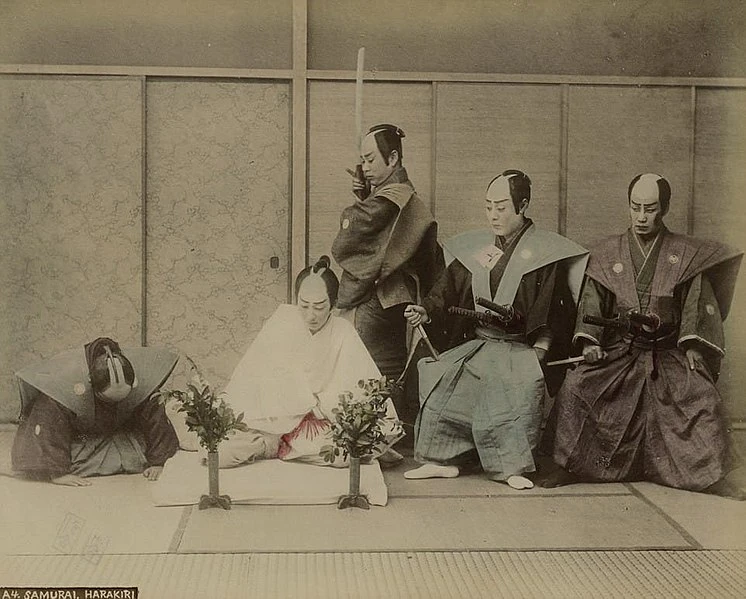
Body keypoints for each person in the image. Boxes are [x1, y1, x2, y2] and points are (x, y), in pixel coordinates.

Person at [543, 173, 744, 499]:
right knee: (577, 386)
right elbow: (592, 302)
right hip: (621, 350)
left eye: (649, 209)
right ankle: (571, 465)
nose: (641, 216)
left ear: (664, 208)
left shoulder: (685, 255)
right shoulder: (608, 254)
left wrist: (693, 346)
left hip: (668, 352)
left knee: (702, 396)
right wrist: (590, 342)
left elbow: (696, 304)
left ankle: (711, 475)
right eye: (635, 207)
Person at [402, 170, 588, 489]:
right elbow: (447, 290)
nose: (493, 215)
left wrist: (540, 352)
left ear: (523, 205)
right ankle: (442, 460)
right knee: (443, 383)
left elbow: (555, 313)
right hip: (481, 343)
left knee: (513, 398)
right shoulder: (481, 249)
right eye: (488, 207)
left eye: (501, 208)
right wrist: (426, 311)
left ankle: (511, 467)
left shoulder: (545, 254)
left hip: (519, 348)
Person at [218, 256, 403, 468]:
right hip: (274, 417)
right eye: (304, 305)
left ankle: (272, 445)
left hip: (318, 420)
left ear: (333, 304)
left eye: (319, 307)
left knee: (342, 454)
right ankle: (269, 442)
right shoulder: (282, 321)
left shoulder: (342, 332)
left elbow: (356, 385)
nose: (310, 315)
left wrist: (318, 404)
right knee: (222, 449)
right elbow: (252, 375)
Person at [331, 124, 443, 382]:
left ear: (392, 158)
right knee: (382, 373)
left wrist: (360, 204)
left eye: (370, 160)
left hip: (386, 297)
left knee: (362, 364)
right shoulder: (393, 193)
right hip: (395, 298)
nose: (365, 168)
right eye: (363, 161)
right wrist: (365, 196)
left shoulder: (395, 196)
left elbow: (352, 232)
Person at [11, 337, 180, 486]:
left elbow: (155, 418)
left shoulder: (140, 380)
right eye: (108, 399)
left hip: (119, 431)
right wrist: (58, 473)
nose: (115, 403)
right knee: (71, 461)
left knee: (140, 451)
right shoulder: (66, 381)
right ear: (91, 385)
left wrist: (159, 462)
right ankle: (57, 466)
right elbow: (48, 424)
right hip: (79, 438)